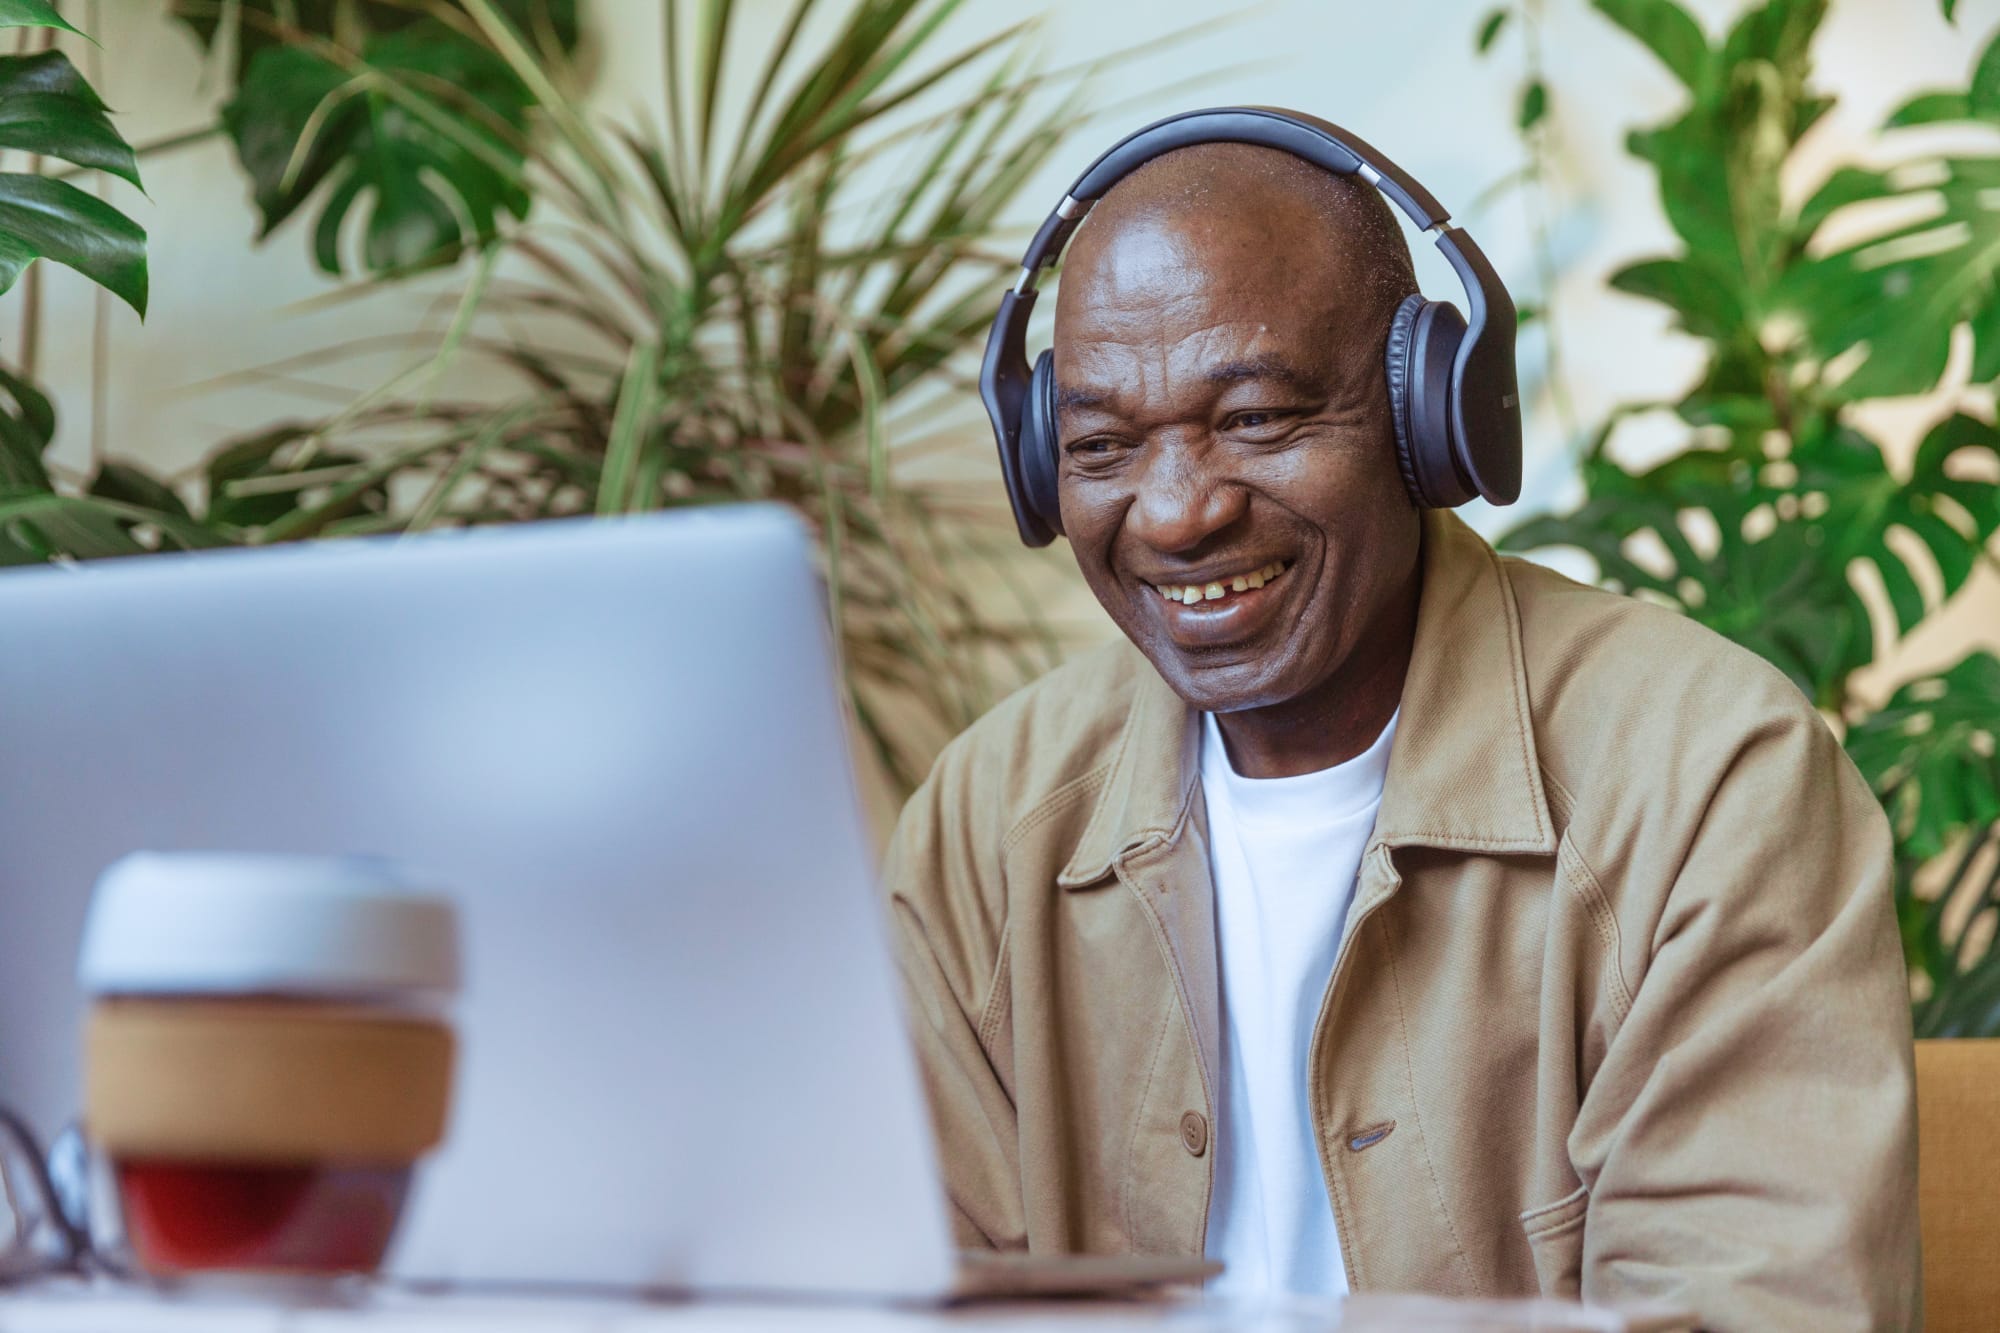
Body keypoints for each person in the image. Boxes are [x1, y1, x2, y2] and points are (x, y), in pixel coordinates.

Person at [882, 109, 1920, 1331]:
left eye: (1256, 418)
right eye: (1101, 444)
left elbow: (1759, 1308)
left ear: (1431, 418)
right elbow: (890, 1290)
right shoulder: (986, 814)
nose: (1172, 513)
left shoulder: (1708, 779)